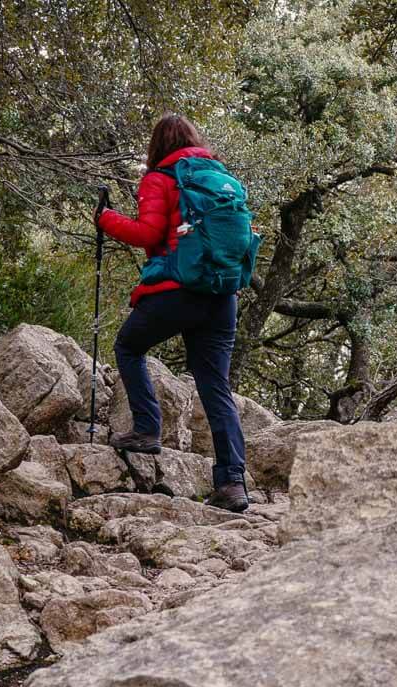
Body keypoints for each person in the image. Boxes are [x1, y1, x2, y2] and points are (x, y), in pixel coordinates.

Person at [96, 114, 249, 513]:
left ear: (156, 146)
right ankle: (232, 484)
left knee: (128, 346)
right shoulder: (219, 177)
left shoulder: (161, 178)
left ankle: (147, 428)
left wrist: (105, 219)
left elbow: (147, 235)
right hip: (222, 295)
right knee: (215, 385)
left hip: (178, 290)